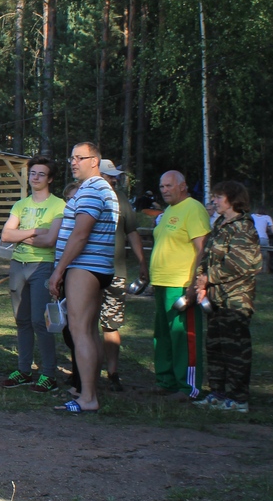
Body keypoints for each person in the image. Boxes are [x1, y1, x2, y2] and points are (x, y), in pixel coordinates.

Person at [47, 142, 119, 414]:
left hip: (84, 267)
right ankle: (86, 390)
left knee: (79, 331)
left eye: (80, 157)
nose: (73, 162)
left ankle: (87, 397)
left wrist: (59, 270)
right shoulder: (102, 188)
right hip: (95, 267)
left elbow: (80, 234)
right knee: (88, 331)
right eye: (72, 158)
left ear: (95, 161)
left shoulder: (91, 189)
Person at [194, 181, 262, 413]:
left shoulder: (243, 227)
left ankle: (238, 398)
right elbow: (207, 256)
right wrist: (201, 280)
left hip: (235, 299)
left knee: (235, 349)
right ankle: (218, 393)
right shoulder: (221, 224)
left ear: (233, 200)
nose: (214, 201)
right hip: (216, 298)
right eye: (214, 196)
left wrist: (208, 278)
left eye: (219, 197)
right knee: (215, 346)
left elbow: (241, 264)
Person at [0, 155, 65, 394]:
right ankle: (24, 370)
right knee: (22, 320)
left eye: (41, 174)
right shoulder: (21, 205)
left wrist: (21, 234)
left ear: (50, 179)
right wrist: (36, 231)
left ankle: (49, 374)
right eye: (33, 173)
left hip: (42, 266)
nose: (35, 178)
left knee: (40, 321)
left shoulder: (59, 205)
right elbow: (6, 235)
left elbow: (50, 241)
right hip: (18, 264)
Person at [150, 170, 211, 400]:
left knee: (183, 337)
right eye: (161, 186)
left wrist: (195, 283)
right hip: (162, 283)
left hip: (181, 284)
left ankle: (188, 387)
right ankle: (166, 381)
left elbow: (201, 248)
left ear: (183, 186)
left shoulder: (193, 208)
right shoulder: (168, 210)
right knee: (163, 336)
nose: (164, 190)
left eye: (169, 186)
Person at [97, 159, 148, 392]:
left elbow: (132, 232)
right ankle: (86, 371)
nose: (113, 179)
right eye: (109, 175)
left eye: (114, 176)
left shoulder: (121, 199)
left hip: (115, 273)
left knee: (111, 324)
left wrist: (142, 262)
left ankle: (113, 373)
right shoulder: (85, 195)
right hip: (87, 272)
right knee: (84, 325)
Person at [251, 205, 273, 273]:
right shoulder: (267, 217)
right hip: (263, 238)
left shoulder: (252, 216)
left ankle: (254, 270)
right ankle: (265, 270)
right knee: (265, 255)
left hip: (253, 238)